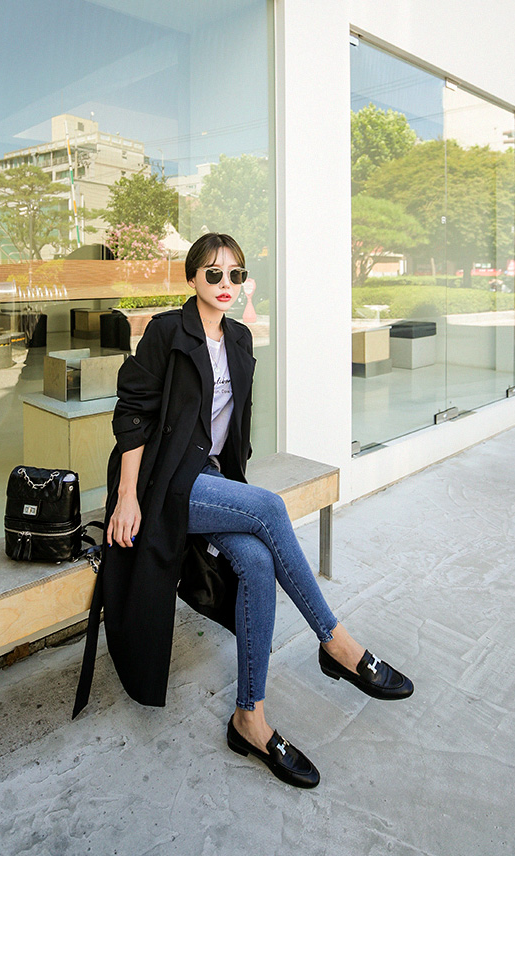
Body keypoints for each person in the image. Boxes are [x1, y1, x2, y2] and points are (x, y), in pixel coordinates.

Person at [73, 232, 413, 788]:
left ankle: (248, 718)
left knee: (256, 563)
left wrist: (232, 488)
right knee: (271, 508)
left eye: (235, 274)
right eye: (213, 273)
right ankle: (336, 642)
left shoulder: (239, 338)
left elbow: (234, 430)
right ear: (192, 279)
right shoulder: (166, 332)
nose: (225, 284)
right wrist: (127, 496)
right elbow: (131, 414)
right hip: (160, 482)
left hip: (209, 479)